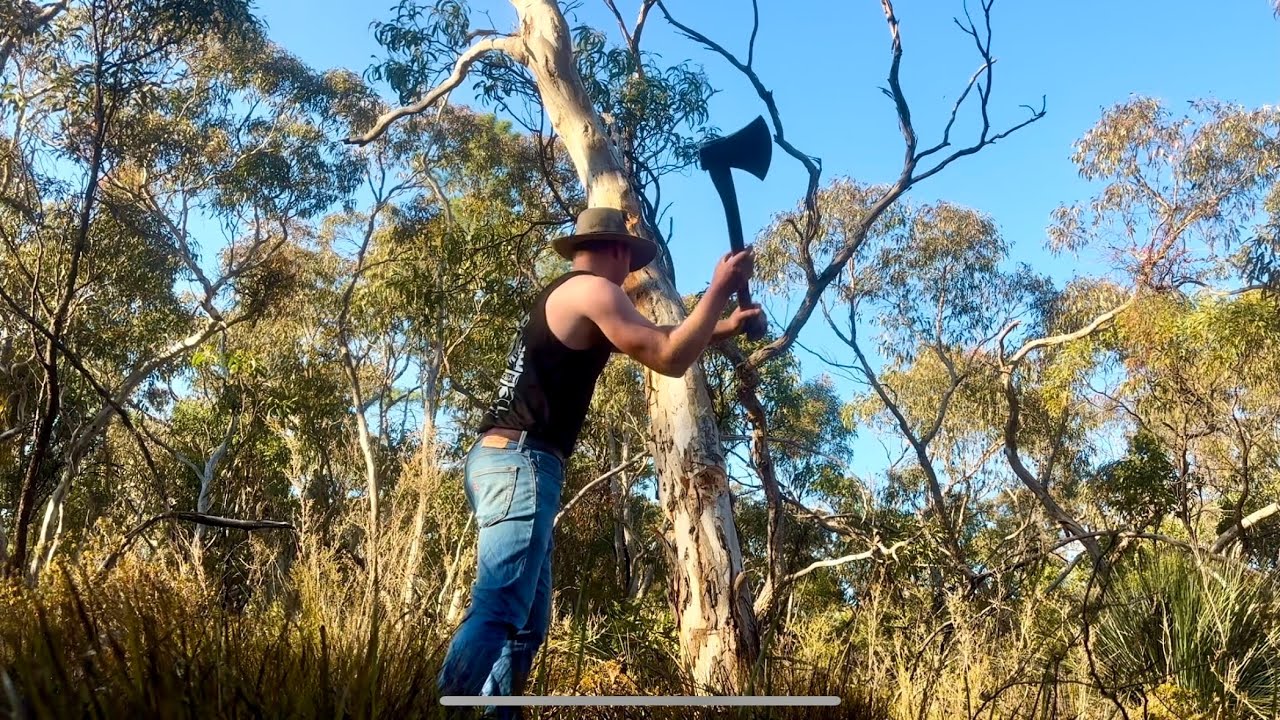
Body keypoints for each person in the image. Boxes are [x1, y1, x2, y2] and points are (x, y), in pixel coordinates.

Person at [436, 206, 761, 715]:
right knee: (500, 609)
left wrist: (725, 326)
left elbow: (655, 338)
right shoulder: (595, 290)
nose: (630, 273)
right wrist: (722, 285)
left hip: (500, 460)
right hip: (522, 461)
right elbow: (669, 355)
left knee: (524, 626)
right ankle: (424, 707)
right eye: (630, 261)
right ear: (617, 250)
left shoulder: (571, 295)